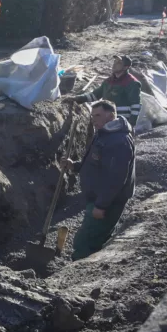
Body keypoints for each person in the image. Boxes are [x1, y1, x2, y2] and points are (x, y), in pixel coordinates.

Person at [60, 100, 136, 260]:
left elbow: (116, 178)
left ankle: (77, 275)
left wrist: (101, 205)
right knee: (92, 236)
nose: (93, 119)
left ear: (110, 115)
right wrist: (74, 166)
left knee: (85, 241)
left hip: (107, 201)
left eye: (98, 115)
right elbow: (93, 163)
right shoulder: (103, 133)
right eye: (92, 115)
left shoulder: (118, 141)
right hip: (98, 197)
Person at [64, 55, 142, 127]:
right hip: (106, 120)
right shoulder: (108, 82)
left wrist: (131, 124)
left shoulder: (132, 83)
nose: (114, 64)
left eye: (119, 63)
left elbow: (135, 106)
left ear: (125, 67)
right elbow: (94, 95)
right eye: (114, 62)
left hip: (121, 122)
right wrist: (77, 99)